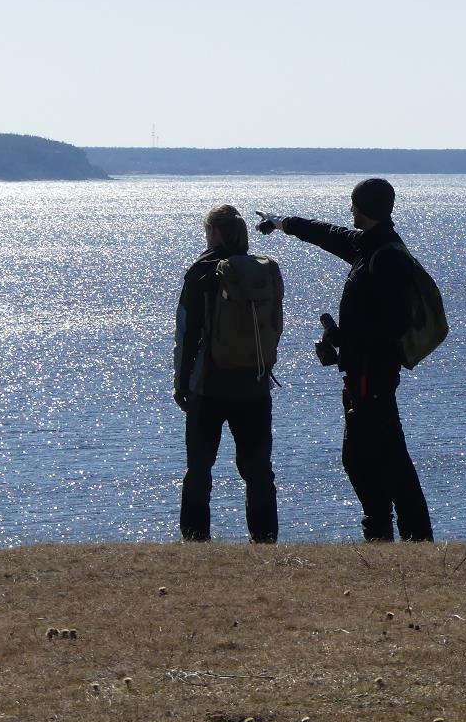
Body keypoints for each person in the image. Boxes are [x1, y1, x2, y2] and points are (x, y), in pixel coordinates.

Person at [257, 178, 433, 542]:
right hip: (363, 372)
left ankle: (393, 532)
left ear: (364, 208)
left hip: (372, 375)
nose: (349, 211)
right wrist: (281, 221)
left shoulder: (383, 257)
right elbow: (326, 234)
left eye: (353, 205)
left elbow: (393, 324)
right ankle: (398, 533)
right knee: (379, 457)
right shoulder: (369, 246)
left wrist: (343, 339)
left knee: (369, 459)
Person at [173, 204, 281, 543]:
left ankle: (195, 539)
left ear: (214, 232)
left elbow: (187, 333)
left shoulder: (203, 271)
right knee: (258, 469)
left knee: (200, 468)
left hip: (210, 384)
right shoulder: (261, 271)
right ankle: (264, 538)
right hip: (255, 383)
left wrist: (181, 382)